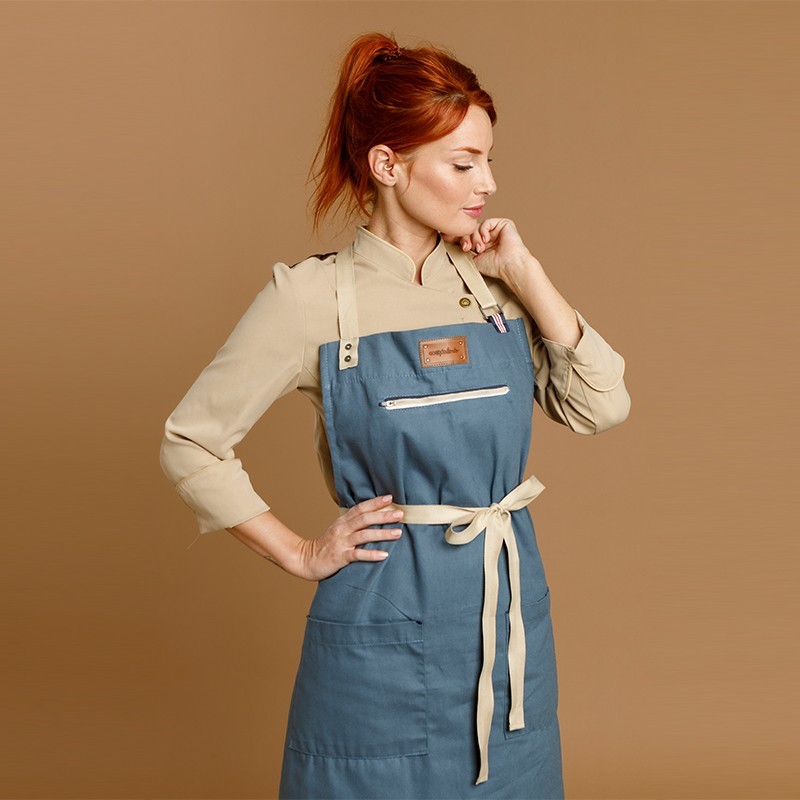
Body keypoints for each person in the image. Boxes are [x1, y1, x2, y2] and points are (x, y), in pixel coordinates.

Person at [159, 31, 631, 800]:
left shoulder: (496, 286)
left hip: (504, 620)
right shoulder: (309, 300)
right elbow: (191, 442)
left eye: (488, 160)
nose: (487, 183)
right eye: (464, 163)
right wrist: (299, 552)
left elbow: (602, 406)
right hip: (379, 635)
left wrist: (528, 273)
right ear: (387, 165)